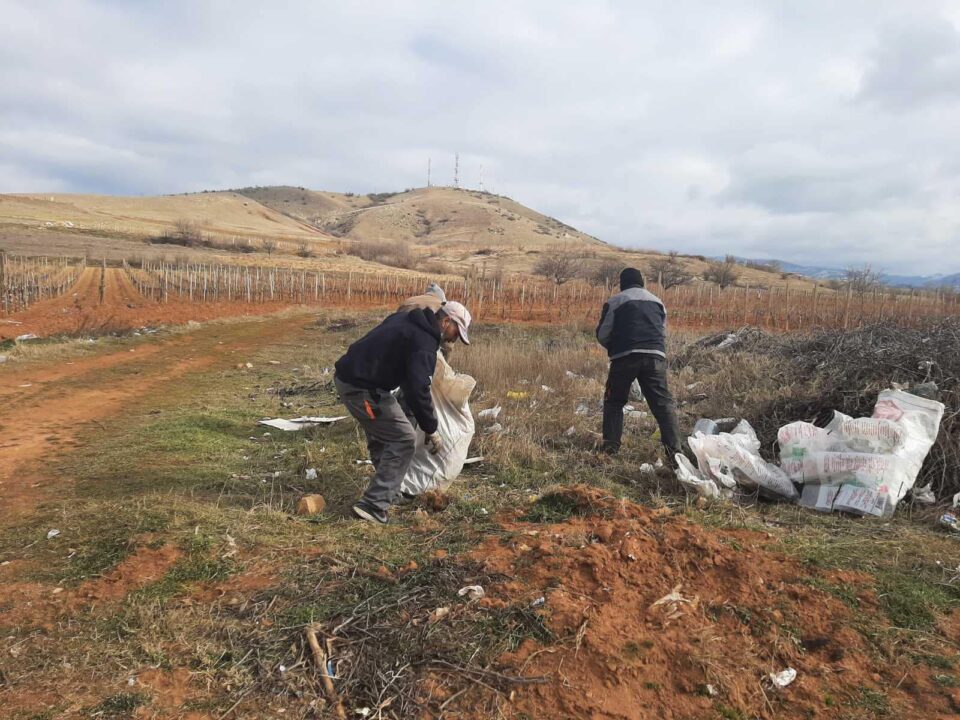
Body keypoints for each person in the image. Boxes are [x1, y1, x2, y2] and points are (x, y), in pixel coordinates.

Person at [334, 301, 472, 524]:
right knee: (404, 439)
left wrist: (423, 419)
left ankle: (389, 491)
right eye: (457, 331)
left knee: (387, 433)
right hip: (360, 389)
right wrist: (431, 428)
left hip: (364, 383)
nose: (456, 338)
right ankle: (373, 505)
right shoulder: (424, 343)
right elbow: (418, 389)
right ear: (446, 321)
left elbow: (410, 382)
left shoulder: (409, 319)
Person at [595, 267, 682, 459]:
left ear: (622, 283)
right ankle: (675, 452)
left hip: (624, 357)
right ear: (642, 282)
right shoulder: (658, 302)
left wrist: (614, 347)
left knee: (614, 401)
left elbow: (602, 334)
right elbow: (661, 331)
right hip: (655, 357)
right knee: (663, 405)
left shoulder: (615, 301)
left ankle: (611, 449)